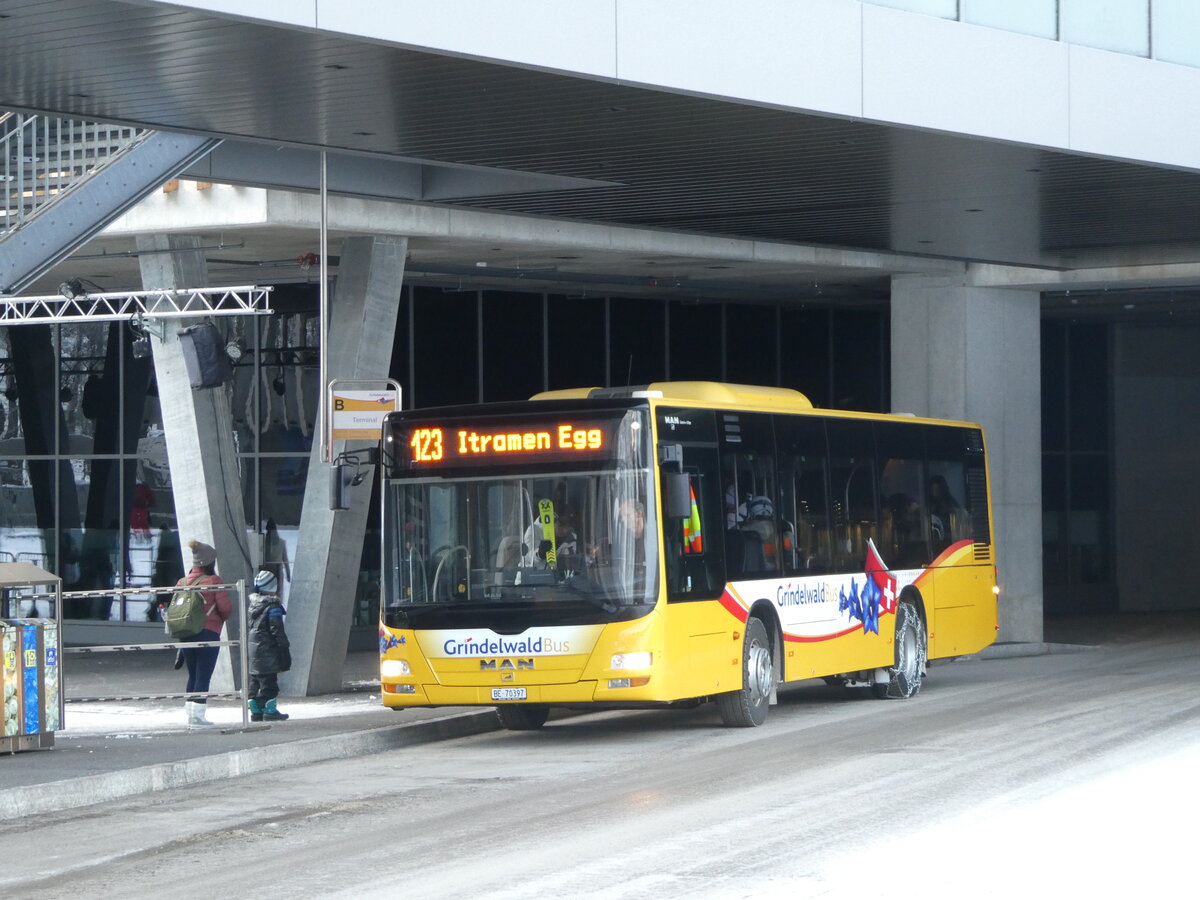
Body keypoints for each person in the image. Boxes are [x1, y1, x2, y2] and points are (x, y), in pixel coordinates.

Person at [178, 539, 232, 729]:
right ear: (210, 562)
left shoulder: (182, 582)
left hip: (185, 633)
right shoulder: (214, 581)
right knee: (203, 675)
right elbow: (225, 609)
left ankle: (191, 715)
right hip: (208, 632)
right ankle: (198, 718)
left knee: (193, 675)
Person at [247, 568, 291, 722]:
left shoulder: (253, 605)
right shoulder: (273, 607)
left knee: (255, 680)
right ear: (273, 587)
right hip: (268, 651)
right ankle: (269, 710)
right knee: (270, 683)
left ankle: (255, 710)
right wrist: (284, 647)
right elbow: (276, 630)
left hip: (254, 651)